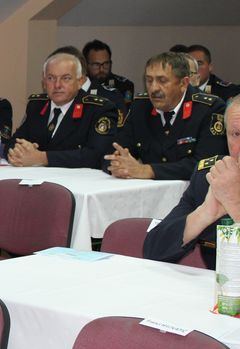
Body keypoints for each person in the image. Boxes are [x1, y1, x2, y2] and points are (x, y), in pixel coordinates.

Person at [144, 98, 240, 269]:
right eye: (236, 134)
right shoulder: (209, 176)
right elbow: (153, 250)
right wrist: (205, 213)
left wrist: (235, 206)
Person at [105, 52, 225, 180]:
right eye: (149, 80)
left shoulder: (209, 109)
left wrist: (147, 170)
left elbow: (206, 165)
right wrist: (118, 164)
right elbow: (112, 153)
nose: (153, 88)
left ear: (183, 83)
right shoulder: (141, 107)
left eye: (162, 81)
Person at [8, 50, 117, 168]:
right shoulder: (36, 105)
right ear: (44, 82)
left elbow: (98, 155)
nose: (57, 85)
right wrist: (19, 152)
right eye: (51, 78)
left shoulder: (98, 109)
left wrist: (43, 158)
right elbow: (12, 142)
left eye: (66, 78)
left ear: (80, 82)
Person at [83, 39, 135, 106]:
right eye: (96, 65)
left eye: (106, 64)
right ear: (85, 65)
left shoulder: (124, 85)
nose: (101, 69)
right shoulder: (78, 86)